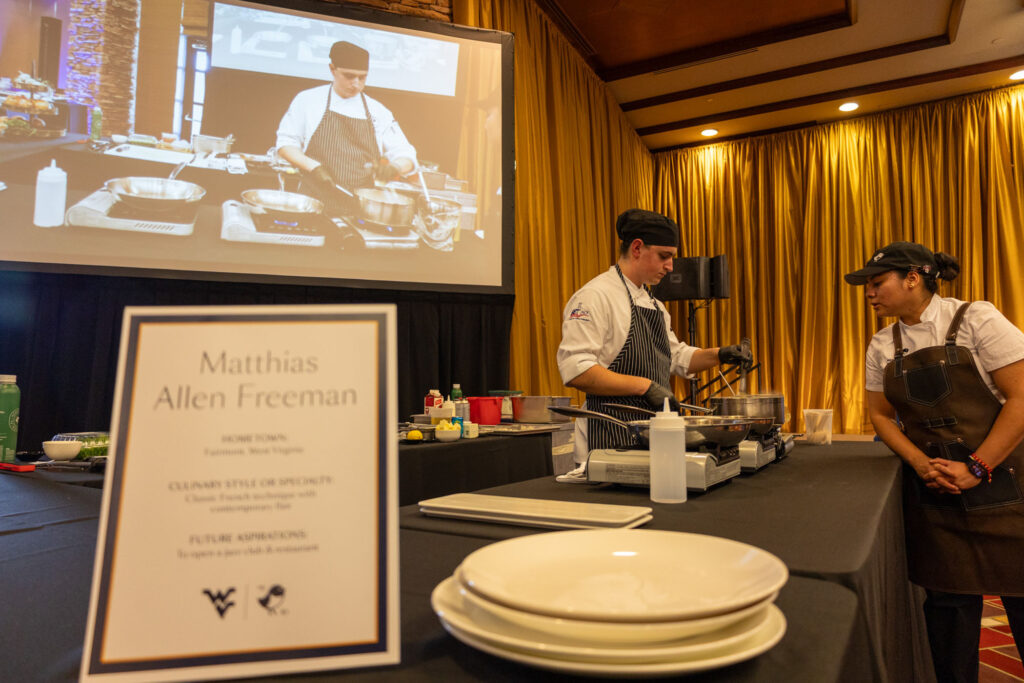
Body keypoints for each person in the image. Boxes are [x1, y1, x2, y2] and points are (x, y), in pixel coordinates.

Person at [845, 241, 1024, 683]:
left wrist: (977, 468)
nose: (869, 293)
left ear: (913, 278)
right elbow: (879, 416)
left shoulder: (976, 319)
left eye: (877, 282)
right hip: (939, 496)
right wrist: (921, 463)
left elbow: (1021, 399)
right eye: (867, 286)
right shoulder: (882, 344)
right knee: (949, 617)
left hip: (1008, 490)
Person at [556, 208, 752, 474]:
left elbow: (677, 357)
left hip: (652, 440)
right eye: (664, 256)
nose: (670, 266)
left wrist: (721, 354)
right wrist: (645, 386)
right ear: (637, 248)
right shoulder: (595, 296)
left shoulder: (655, 304)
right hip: (608, 439)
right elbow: (577, 371)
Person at [276, 41, 417, 213]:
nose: (356, 84)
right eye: (349, 76)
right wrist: (313, 167)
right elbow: (286, 144)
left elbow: (406, 153)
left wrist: (395, 167)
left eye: (362, 77)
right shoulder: (307, 100)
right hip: (312, 201)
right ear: (332, 69)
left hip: (360, 207)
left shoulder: (379, 111)